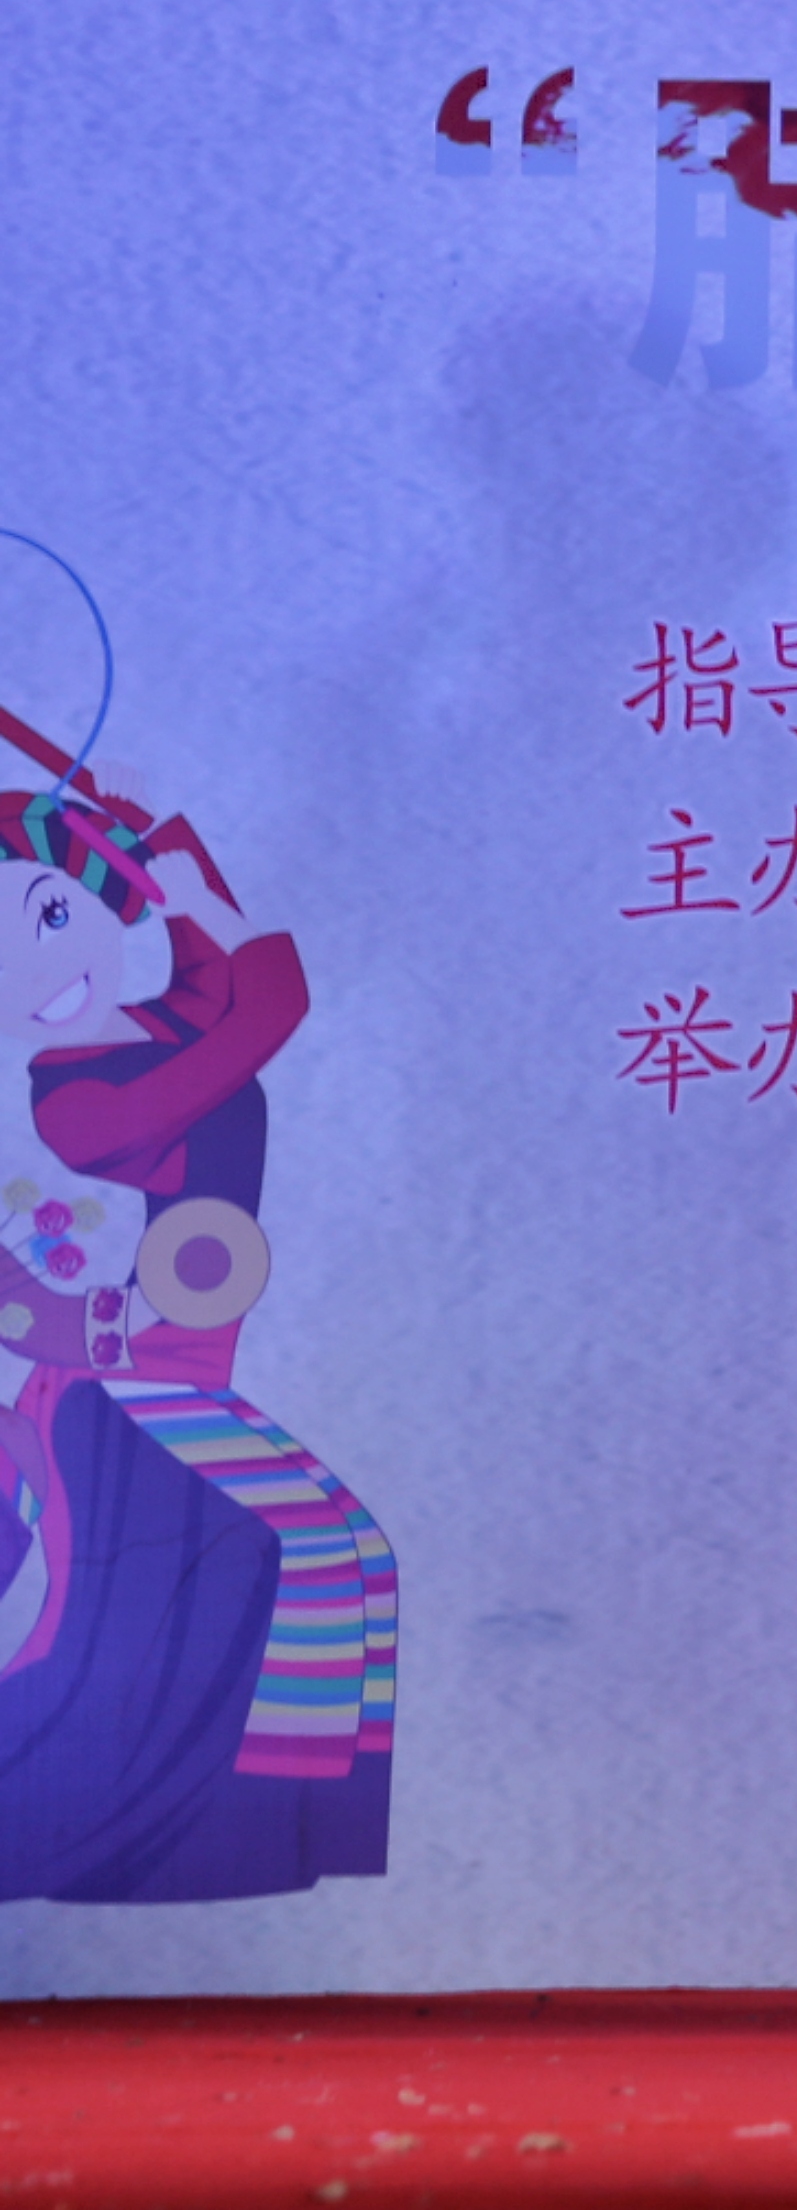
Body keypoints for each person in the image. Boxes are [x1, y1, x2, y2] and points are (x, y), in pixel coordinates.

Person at [0, 785, 398, 1904]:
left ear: (97, 900)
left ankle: (263, 1835)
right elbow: (270, 1002)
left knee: (346, 1557)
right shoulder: (75, 1101)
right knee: (319, 1553)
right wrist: (191, 901)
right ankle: (221, 1830)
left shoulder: (154, 1025)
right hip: (119, 1386)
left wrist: (154, 838)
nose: (47, 962)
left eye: (51, 913)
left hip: (177, 1369)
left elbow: (220, 978)